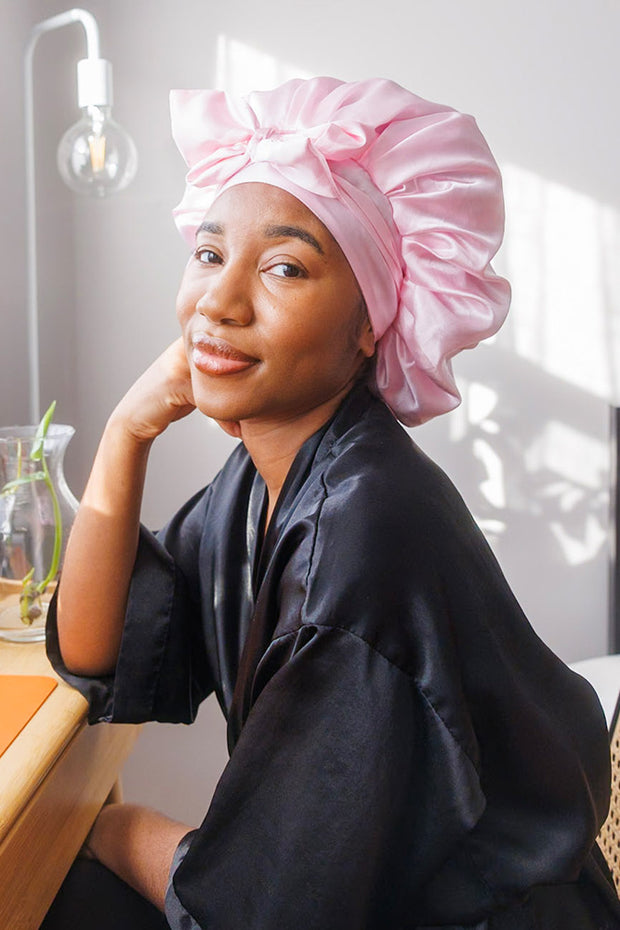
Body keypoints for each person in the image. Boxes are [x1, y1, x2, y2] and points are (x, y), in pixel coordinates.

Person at [42, 77, 620, 929]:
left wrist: (111, 827)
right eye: (208, 254)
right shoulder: (265, 481)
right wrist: (128, 430)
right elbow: (101, 654)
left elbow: (254, 908)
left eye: (284, 267)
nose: (219, 301)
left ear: (369, 325)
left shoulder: (367, 532)